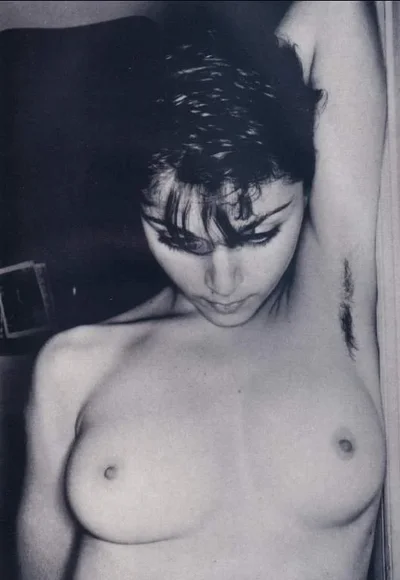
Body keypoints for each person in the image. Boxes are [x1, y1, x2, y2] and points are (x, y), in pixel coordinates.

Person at [17, 2, 386, 579]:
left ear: (303, 198)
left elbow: (336, 11)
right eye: (179, 239)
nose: (222, 281)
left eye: (258, 234)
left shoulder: (331, 307)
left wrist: (242, 92)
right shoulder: (73, 368)